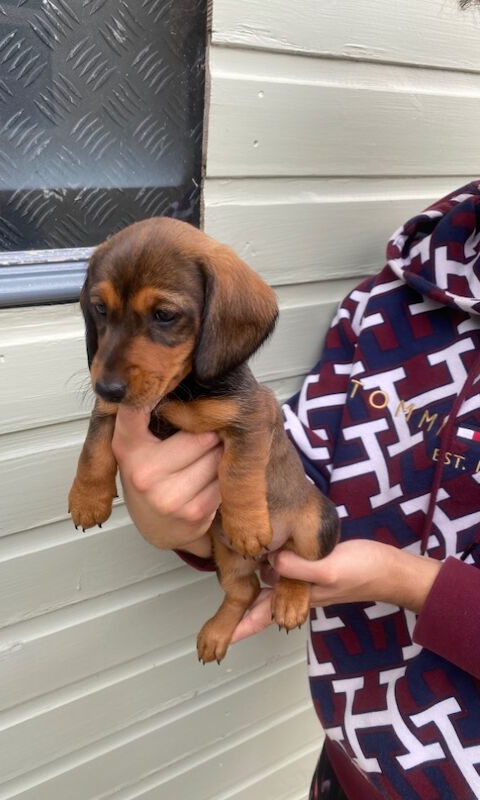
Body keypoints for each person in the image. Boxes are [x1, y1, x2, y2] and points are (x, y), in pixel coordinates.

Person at [109, 8, 480, 800]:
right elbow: (291, 467)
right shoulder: (393, 307)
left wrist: (406, 580)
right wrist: (181, 516)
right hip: (346, 774)